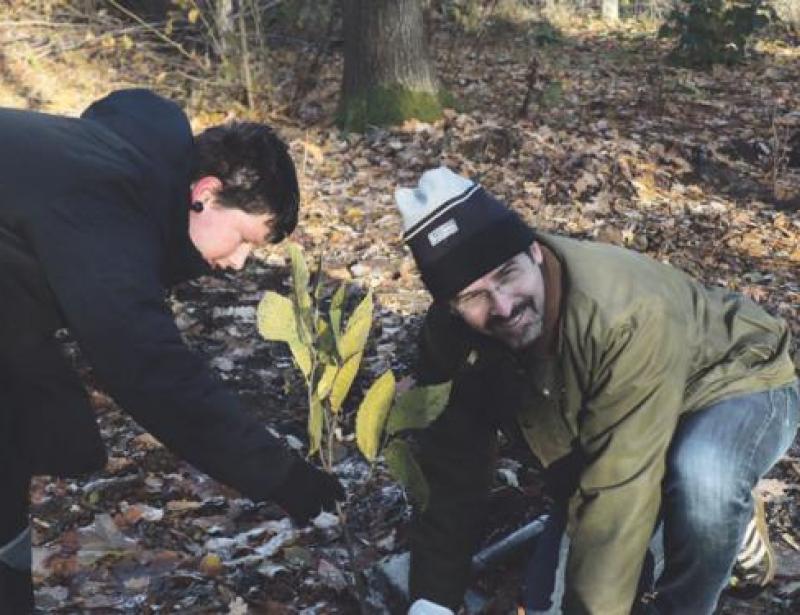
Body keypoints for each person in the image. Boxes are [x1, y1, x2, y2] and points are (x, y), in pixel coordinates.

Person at [394, 167, 799, 614]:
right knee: (548, 603)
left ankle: (721, 533)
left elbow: (618, 491)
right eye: (474, 296)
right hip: (624, 423)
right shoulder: (450, 339)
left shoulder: (624, 314)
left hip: (730, 380)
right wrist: (432, 600)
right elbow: (452, 470)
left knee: (703, 479)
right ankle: (701, 519)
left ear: (534, 251)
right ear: (450, 306)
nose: (503, 306)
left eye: (507, 275)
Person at [0, 89, 343, 612]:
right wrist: (281, 475)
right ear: (205, 192)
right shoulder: (107, 205)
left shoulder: (119, 169)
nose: (239, 264)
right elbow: (152, 369)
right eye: (244, 240)